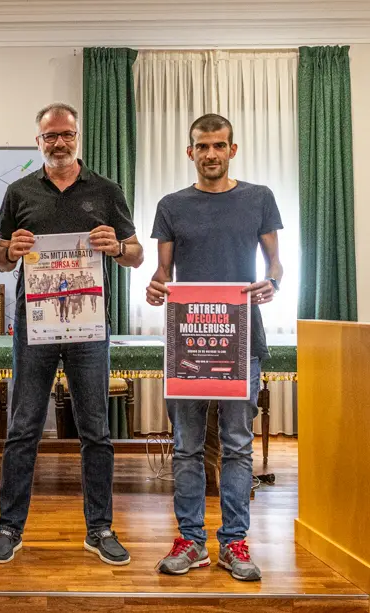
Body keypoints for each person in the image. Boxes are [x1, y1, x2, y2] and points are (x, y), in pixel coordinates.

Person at [0, 103, 143, 565]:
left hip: (89, 328)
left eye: (66, 134)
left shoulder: (107, 190)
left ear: (78, 137)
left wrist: (116, 246)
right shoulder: (18, 192)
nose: (59, 142)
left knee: (96, 431)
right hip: (34, 328)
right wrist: (7, 249)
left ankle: (100, 528)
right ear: (38, 141)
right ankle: (9, 528)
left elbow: (134, 253)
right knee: (23, 429)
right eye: (50, 136)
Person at [145, 113, 283, 582]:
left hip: (243, 339)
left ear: (232, 150)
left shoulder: (259, 198)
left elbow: (276, 265)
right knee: (185, 448)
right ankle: (191, 542)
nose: (210, 154)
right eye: (202, 146)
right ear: (190, 152)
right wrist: (155, 286)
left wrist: (272, 286)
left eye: (219, 146)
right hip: (189, 342)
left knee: (238, 446)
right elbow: (163, 273)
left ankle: (234, 543)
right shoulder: (171, 205)